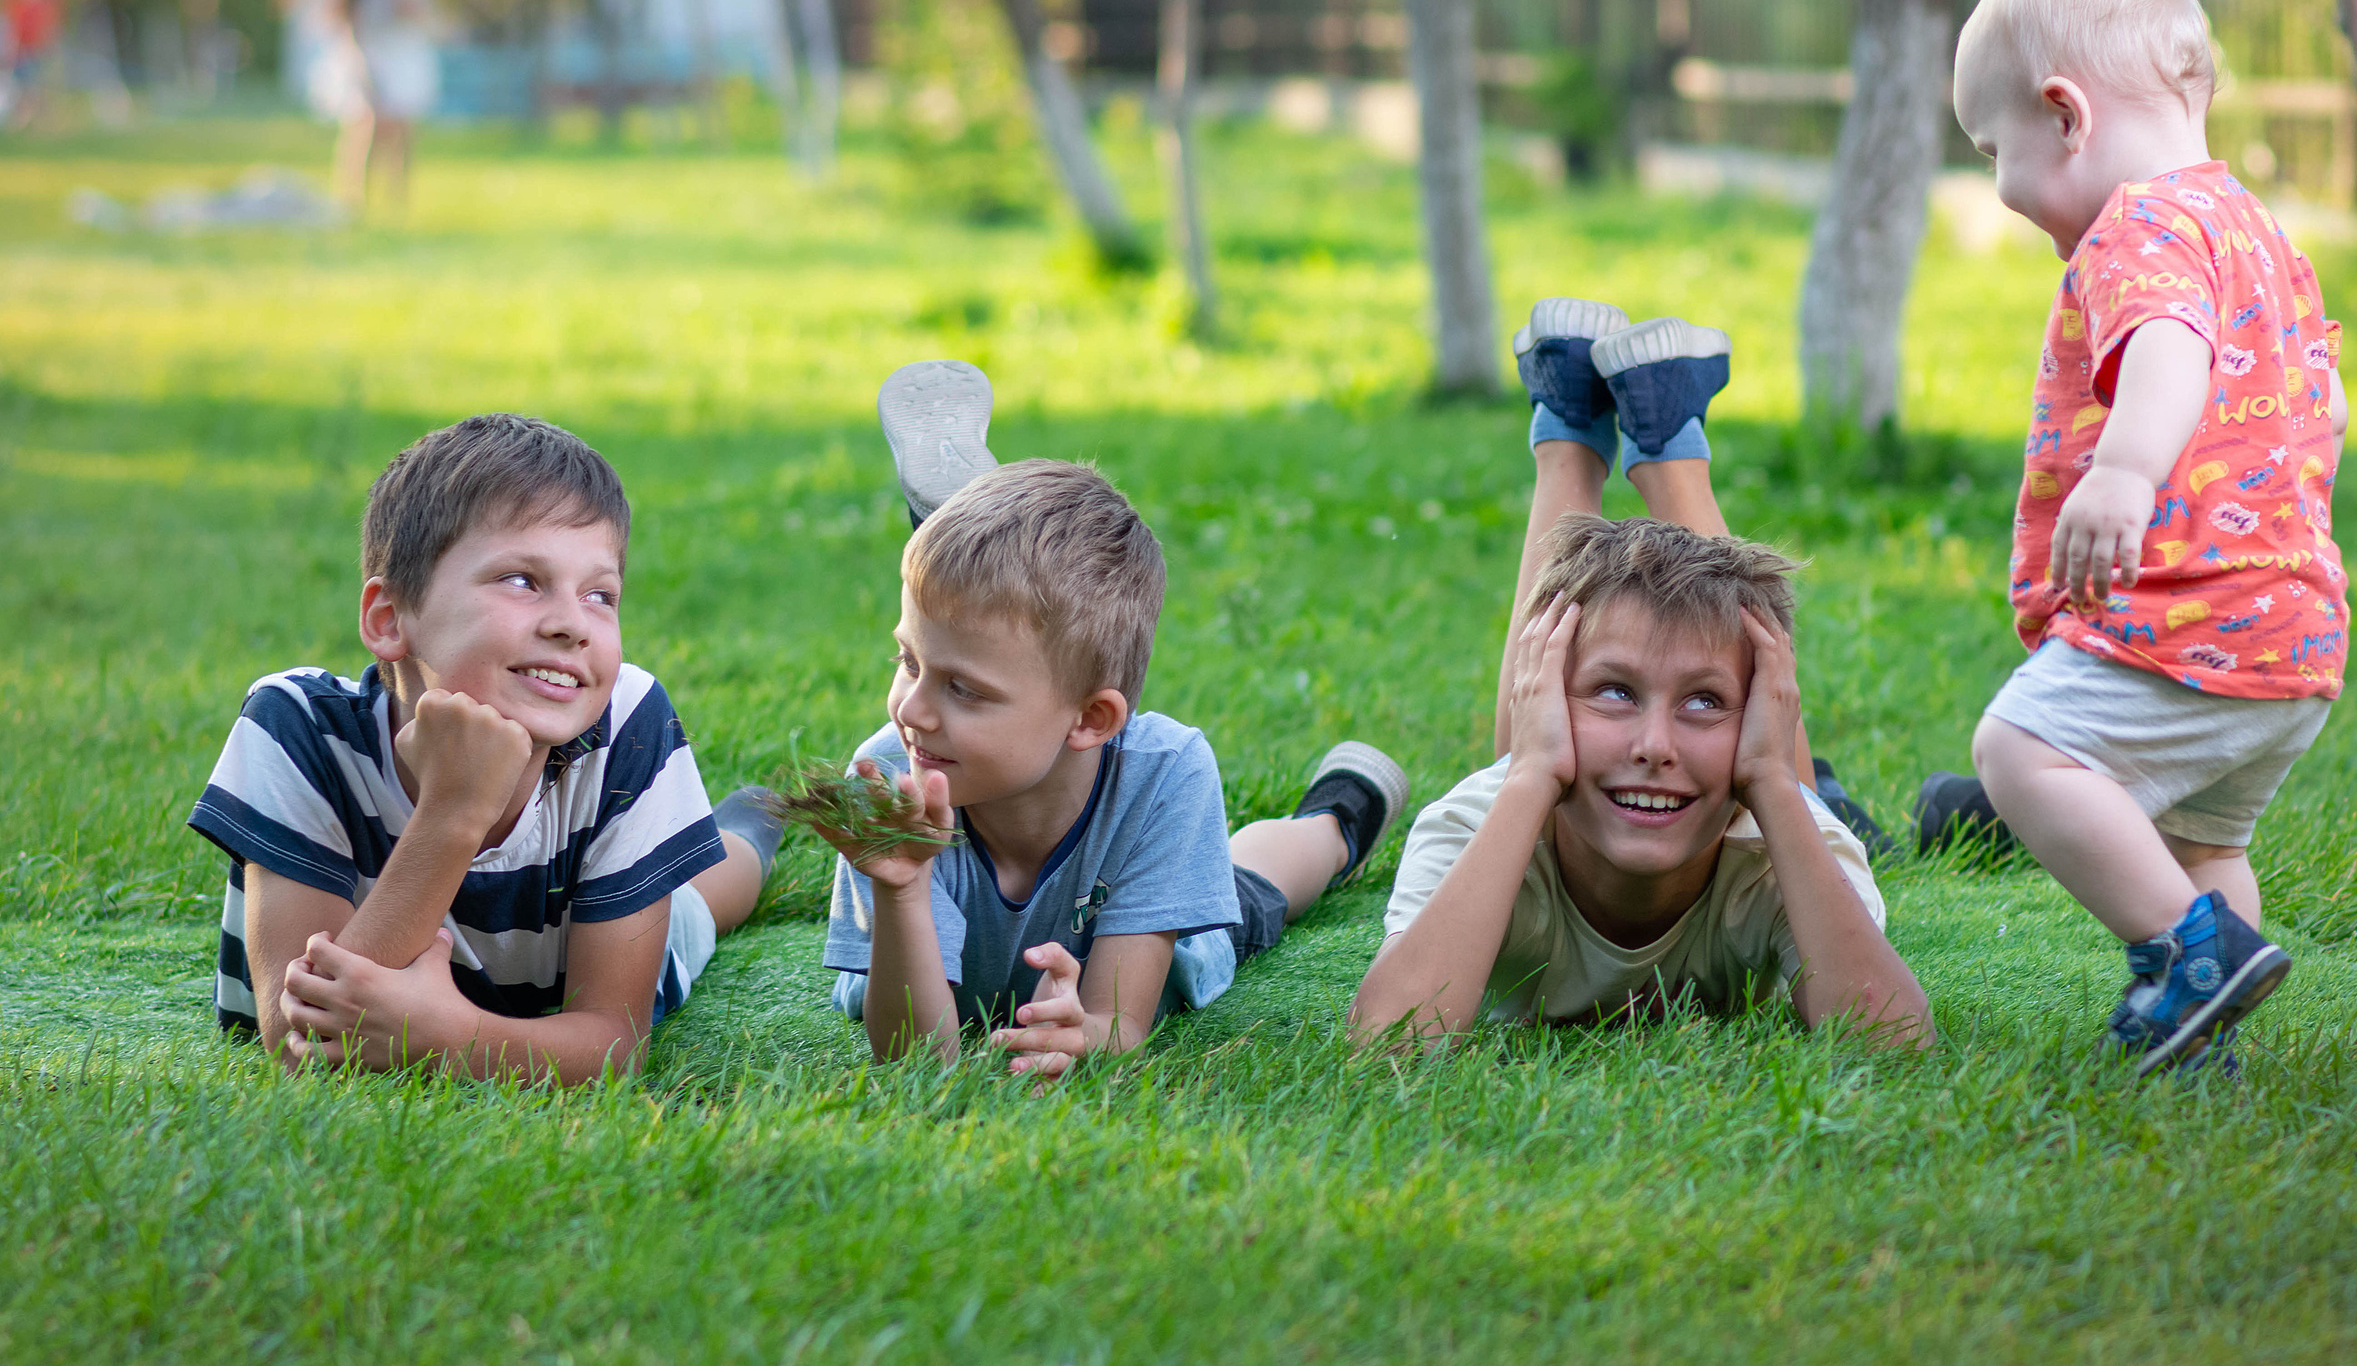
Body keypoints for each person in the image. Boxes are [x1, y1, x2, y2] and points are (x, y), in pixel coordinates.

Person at [1944, 0, 2350, 1077]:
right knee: (2197, 845)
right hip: (2296, 635)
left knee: (2019, 750)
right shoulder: (2258, 232)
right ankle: (2200, 1025)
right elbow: (2325, 406)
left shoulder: (2139, 226)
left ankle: (2184, 956)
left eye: (1994, 150)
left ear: (2064, 115)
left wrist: (2123, 471)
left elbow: (2167, 345)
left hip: (2187, 621)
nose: (2000, 186)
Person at [1349, 303, 1930, 1045]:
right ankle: (1661, 438)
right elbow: (1386, 1042)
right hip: (1547, 797)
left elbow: (1893, 1043)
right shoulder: (1473, 825)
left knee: (1721, 651)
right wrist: (1530, 777)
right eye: (1616, 692)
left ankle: (1575, 431)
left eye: (1706, 702)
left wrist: (1775, 783)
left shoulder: (1790, 845)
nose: (1655, 746)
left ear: (1766, 715)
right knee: (1616, 660)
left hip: (1741, 808)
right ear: (1541, 700)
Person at [812, 361, 1409, 1081]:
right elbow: (914, 1059)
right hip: (927, 966)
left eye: (963, 688)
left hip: (1132, 910)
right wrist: (901, 886)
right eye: (907, 660)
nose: (910, 710)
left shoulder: (1163, 773)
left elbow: (1119, 1025)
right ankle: (976, 532)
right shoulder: (889, 782)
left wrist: (1087, 1033)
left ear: (1092, 719)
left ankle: (1338, 816)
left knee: (1248, 891)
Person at [186, 414, 782, 1082]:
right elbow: (304, 1044)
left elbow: (615, 1044)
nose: (572, 624)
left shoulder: (627, 723)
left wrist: (444, 1037)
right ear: (389, 618)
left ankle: (757, 819)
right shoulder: (297, 728)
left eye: (600, 594)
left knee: (699, 903)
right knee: (687, 888)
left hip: (587, 939)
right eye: (522, 580)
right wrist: (455, 811)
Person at [292, 0, 440, 214]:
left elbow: (415, 13)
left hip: (400, 58)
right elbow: (336, 22)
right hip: (360, 56)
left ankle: (397, 202)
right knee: (364, 125)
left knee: (400, 129)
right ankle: (354, 199)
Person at [4, 0, 64, 130]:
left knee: (38, 87)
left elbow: (53, 26)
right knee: (24, 87)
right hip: (19, 51)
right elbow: (9, 25)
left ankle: (37, 122)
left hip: (40, 50)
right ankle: (22, 121)